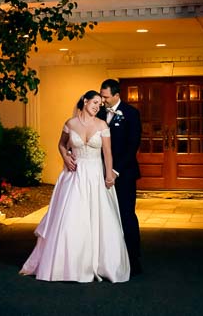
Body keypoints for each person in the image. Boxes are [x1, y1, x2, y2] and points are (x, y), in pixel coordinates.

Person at [19, 90, 130, 283]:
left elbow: (108, 153)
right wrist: (65, 156)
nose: (97, 106)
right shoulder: (70, 124)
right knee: (71, 218)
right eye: (94, 102)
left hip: (96, 176)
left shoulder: (102, 125)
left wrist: (109, 175)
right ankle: (68, 266)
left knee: (100, 219)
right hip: (74, 176)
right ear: (85, 101)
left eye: (100, 104)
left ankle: (102, 264)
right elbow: (61, 144)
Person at [98, 78, 143, 275]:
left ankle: (133, 261)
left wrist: (115, 171)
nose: (102, 100)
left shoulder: (131, 113)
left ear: (117, 95)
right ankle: (108, 260)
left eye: (105, 96)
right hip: (99, 174)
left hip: (123, 174)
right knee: (105, 217)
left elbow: (132, 145)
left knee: (126, 215)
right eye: (101, 95)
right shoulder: (97, 112)